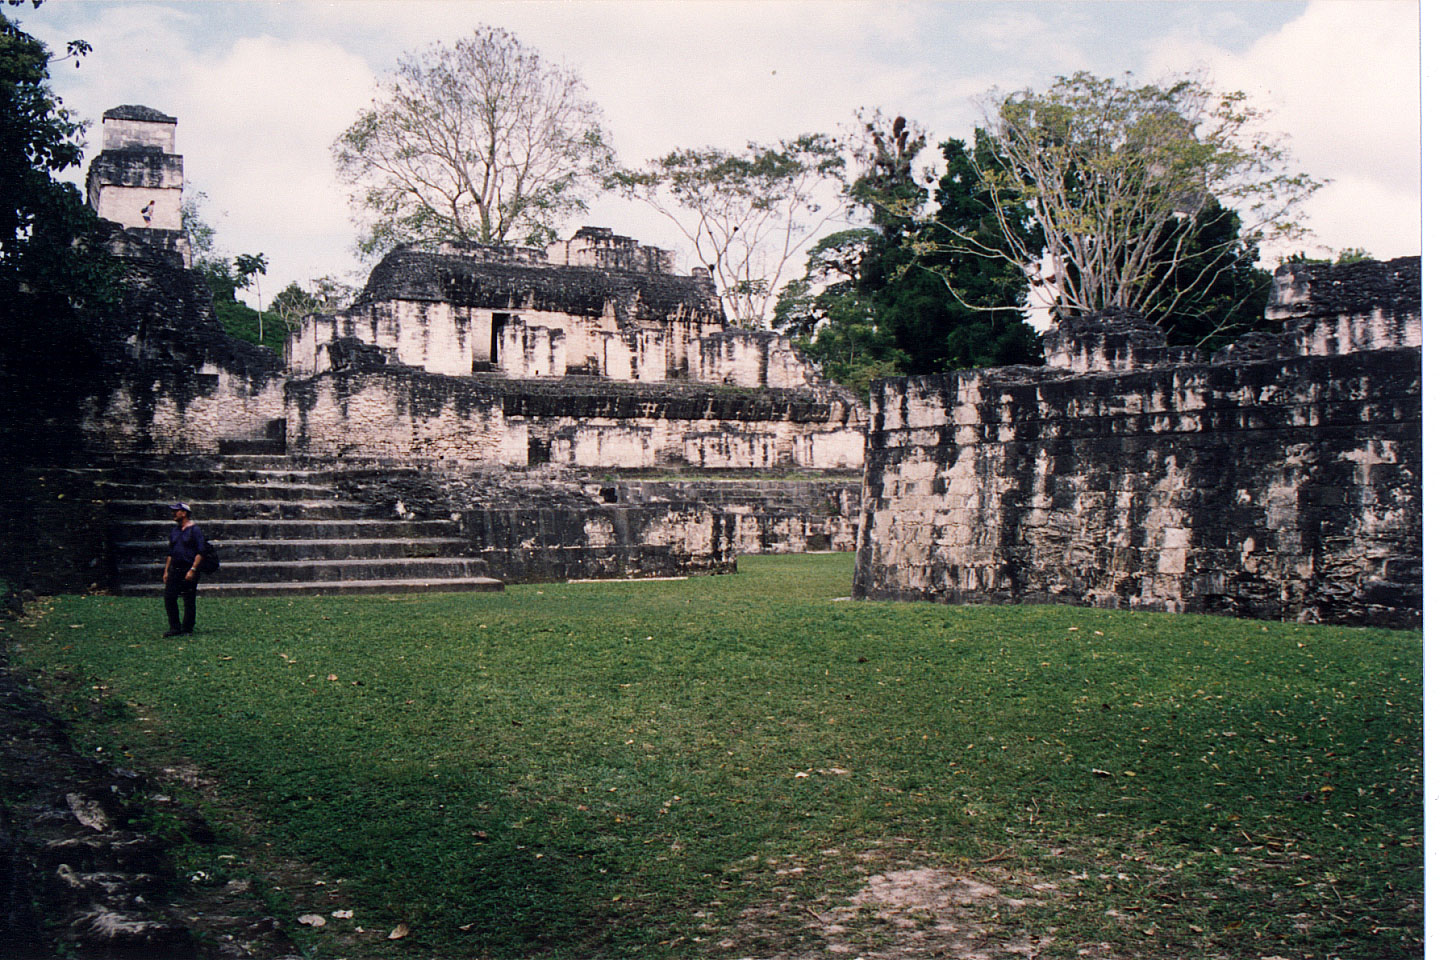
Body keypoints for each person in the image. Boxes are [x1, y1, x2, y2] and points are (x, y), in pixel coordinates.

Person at [162, 502, 207, 637]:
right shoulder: (174, 531)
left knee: (188, 598)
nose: (174, 514)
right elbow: (171, 552)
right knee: (169, 597)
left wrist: (193, 569)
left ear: (184, 513)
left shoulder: (195, 530)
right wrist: (166, 571)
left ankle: (187, 627)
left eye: (177, 511)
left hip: (188, 568)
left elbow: (201, 551)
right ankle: (174, 627)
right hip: (175, 568)